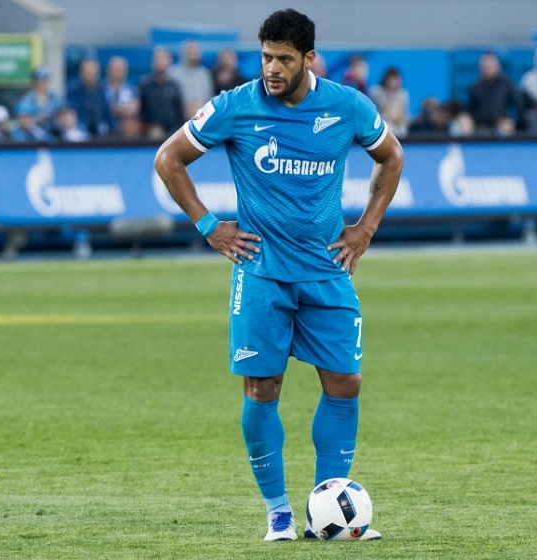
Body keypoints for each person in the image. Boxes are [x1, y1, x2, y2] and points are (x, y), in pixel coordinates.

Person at [154, 8, 403, 543]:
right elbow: (168, 159)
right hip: (261, 272)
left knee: (346, 382)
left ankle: (324, 511)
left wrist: (365, 228)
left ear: (308, 58)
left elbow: (392, 156)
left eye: (284, 59)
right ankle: (279, 514)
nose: (272, 68)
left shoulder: (347, 106)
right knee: (262, 387)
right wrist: (209, 227)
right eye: (266, 56)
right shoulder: (235, 106)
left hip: (326, 269)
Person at [466, 51, 522, 136]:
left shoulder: (506, 84)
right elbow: (470, 110)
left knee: (506, 127)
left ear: (497, 66)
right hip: (480, 124)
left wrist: (514, 122)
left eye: (490, 65)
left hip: (501, 123)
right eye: (484, 66)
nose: (487, 68)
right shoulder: (475, 87)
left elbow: (518, 104)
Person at [138, 46, 184, 139]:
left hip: (172, 132)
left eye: (164, 59)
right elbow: (140, 113)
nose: (161, 62)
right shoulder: (144, 85)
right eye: (158, 59)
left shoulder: (174, 86)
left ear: (169, 62)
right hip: (150, 134)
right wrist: (150, 127)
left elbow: (179, 114)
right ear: (153, 62)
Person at [168, 40, 215, 120]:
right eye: (189, 53)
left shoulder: (205, 74)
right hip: (178, 118)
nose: (192, 57)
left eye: (195, 53)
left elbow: (210, 97)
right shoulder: (173, 74)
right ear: (183, 54)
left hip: (201, 118)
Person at [67, 58, 114, 137]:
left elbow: (107, 113)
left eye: (93, 74)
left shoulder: (102, 90)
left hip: (100, 128)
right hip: (80, 128)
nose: (90, 77)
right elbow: (75, 112)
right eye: (88, 73)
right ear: (81, 74)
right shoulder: (73, 90)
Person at [15, 67, 64, 134]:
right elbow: (22, 119)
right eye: (42, 81)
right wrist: (38, 118)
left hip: (56, 132)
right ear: (35, 82)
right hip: (32, 133)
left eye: (47, 81)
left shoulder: (55, 97)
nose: (45, 84)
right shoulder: (28, 99)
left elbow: (64, 113)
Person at [103, 55, 141, 138]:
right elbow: (103, 108)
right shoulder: (100, 89)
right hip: (105, 125)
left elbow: (133, 109)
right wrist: (122, 110)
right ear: (108, 70)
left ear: (126, 72)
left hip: (126, 127)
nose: (117, 71)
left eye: (120, 69)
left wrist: (115, 109)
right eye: (114, 68)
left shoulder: (132, 89)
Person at [369, 67, 410, 137]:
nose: (393, 82)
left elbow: (406, 117)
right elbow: (371, 113)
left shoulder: (403, 94)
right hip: (380, 125)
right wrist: (387, 114)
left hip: (399, 127)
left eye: (395, 79)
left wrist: (398, 117)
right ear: (386, 79)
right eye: (391, 79)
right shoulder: (376, 92)